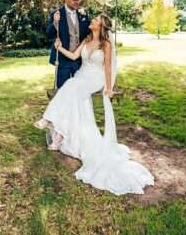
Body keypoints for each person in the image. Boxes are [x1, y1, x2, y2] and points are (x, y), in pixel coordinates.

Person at [34, 14, 155, 195]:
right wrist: (60, 48)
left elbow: (107, 67)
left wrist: (108, 87)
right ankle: (58, 136)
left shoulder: (105, 44)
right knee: (72, 89)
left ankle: (49, 120)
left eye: (95, 19)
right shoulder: (87, 39)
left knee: (72, 87)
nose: (91, 20)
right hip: (82, 76)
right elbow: (74, 55)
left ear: (101, 25)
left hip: (96, 79)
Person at [47, 0, 91, 89]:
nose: (77, 2)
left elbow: (89, 32)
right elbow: (49, 34)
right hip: (63, 61)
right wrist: (55, 23)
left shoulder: (83, 14)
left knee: (79, 90)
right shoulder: (56, 13)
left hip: (79, 60)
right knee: (63, 91)